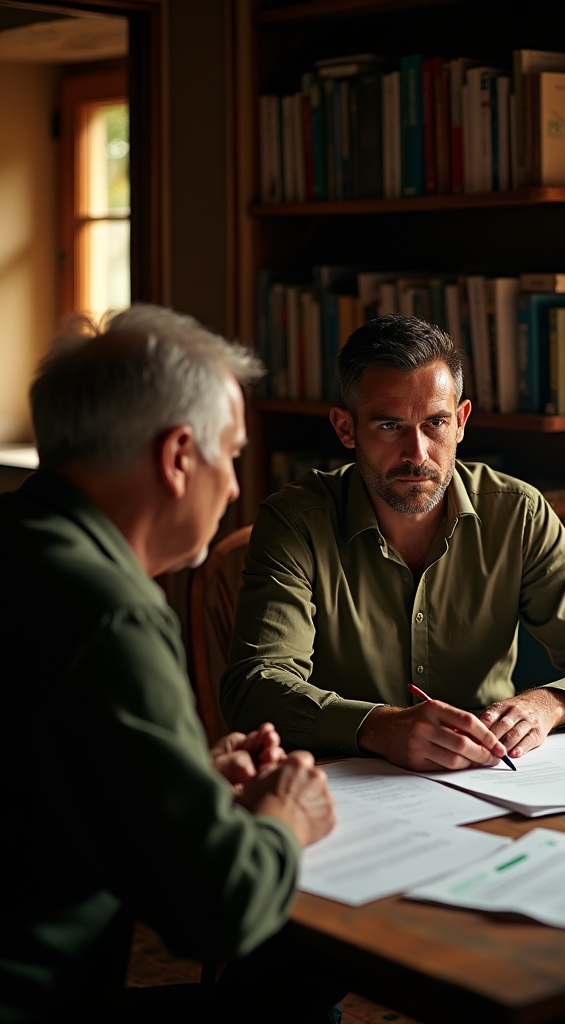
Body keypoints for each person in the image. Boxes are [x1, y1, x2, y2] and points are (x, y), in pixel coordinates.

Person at [0, 306, 341, 1023]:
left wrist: (186, 783)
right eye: (232, 454)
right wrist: (285, 816)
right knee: (298, 983)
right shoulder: (110, 611)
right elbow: (216, 914)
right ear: (179, 456)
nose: (239, 489)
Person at [221, 315, 565, 769]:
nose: (417, 453)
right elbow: (255, 685)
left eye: (435, 423)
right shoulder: (294, 523)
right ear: (345, 428)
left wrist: (547, 704)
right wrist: (380, 727)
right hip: (340, 785)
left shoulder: (517, 514)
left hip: (488, 780)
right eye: (389, 426)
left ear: (461, 421)